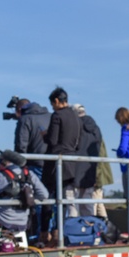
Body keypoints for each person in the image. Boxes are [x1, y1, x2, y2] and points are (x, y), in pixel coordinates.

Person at [0, 149, 50, 234]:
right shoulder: (29, 174)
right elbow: (45, 195)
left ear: (2, 163)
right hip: (23, 222)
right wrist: (29, 197)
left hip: (3, 221)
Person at [42, 87, 81, 219]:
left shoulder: (57, 115)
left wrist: (44, 135)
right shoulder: (75, 116)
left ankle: (45, 232)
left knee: (47, 196)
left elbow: (52, 140)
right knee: (64, 199)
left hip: (56, 162)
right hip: (71, 161)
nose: (52, 107)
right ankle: (59, 230)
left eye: (52, 104)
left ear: (57, 101)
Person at [72, 104, 112, 218]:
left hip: (76, 169)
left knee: (73, 202)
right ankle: (90, 229)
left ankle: (74, 230)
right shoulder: (96, 128)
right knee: (89, 202)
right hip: (91, 170)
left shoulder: (76, 127)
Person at [13, 98, 50, 177]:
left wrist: (20, 163)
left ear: (20, 110)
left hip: (34, 165)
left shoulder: (25, 119)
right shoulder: (49, 116)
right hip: (51, 163)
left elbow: (21, 145)